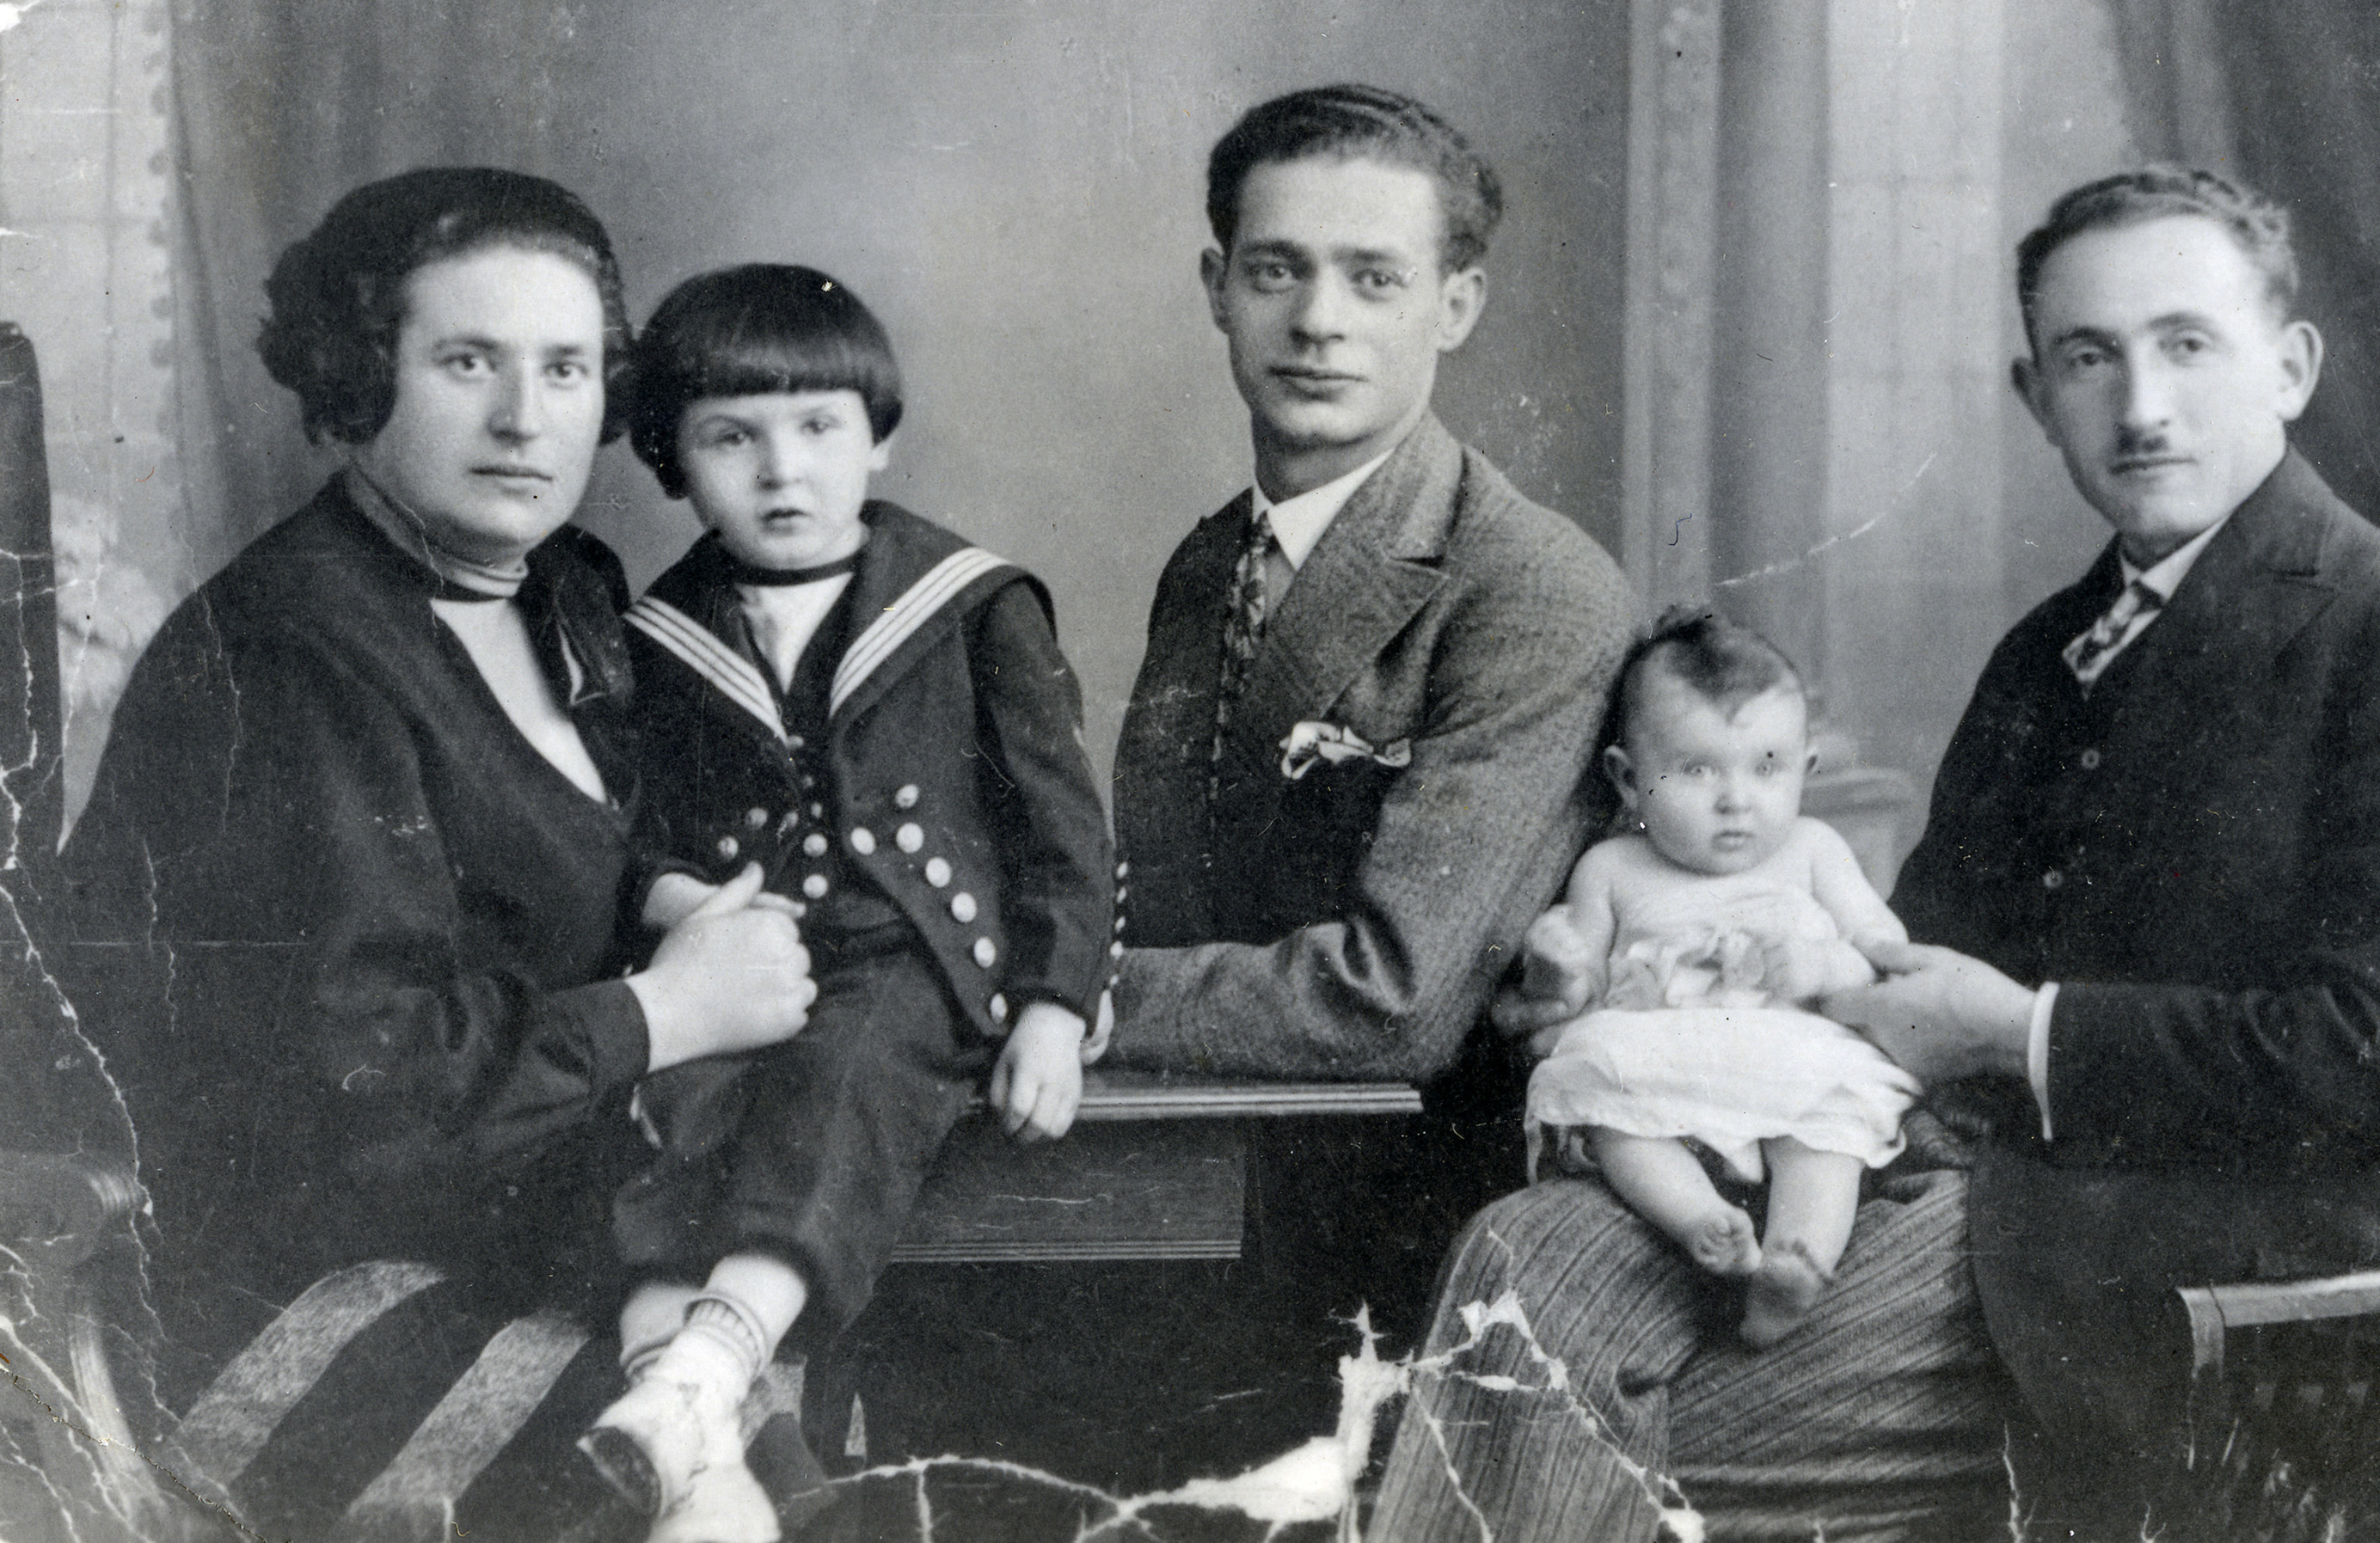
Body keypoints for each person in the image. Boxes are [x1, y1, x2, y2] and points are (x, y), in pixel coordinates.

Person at [1367, 167, 2380, 1540]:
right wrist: (1668, 988)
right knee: (1524, 1259)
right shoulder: (2047, 655)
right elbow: (1909, 967)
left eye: (2188, 344)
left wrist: (2021, 1035)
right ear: (2035, 395)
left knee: (1521, 1423)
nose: (2142, 405)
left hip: (2223, 1300)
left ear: (2289, 367)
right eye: (2089, 358)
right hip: (1962, 1209)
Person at [52, 170, 819, 1537]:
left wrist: (670, 893)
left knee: (785, 1431)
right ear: (361, 379)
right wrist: (667, 1009)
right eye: (468, 362)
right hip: (283, 1284)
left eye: (568, 368)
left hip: (521, 1237)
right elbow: (372, 1091)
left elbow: (571, 845)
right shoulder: (292, 652)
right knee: (705, 1501)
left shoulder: (566, 589)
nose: (526, 418)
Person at [1100, 85, 1636, 1369]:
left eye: (1373, 279)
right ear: (1217, 287)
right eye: (1278, 269)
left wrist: (1069, 997)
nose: (1319, 322)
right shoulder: (1208, 563)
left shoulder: (1532, 589)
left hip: (1409, 1239)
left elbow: (1394, 1002)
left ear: (1455, 306)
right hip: (1186, 1178)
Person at [598, 263, 1113, 1539]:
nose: (782, 470)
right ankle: (683, 1416)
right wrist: (685, 906)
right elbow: (631, 839)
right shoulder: (658, 636)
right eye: (732, 438)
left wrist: (1056, 1006)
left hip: (921, 963)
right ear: (672, 463)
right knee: (675, 1114)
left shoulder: (972, 607)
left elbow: (1062, 830)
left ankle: (707, 1374)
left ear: (880, 437)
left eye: (818, 427)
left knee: (843, 1085)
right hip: (746, 966)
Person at [1520, 609, 1917, 1349]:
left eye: (1766, 768)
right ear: (1628, 779)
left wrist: (1825, 963)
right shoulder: (1611, 868)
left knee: (1830, 1134)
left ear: (1806, 769)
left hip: (1791, 1055)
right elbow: (1571, 999)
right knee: (1604, 1100)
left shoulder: (1813, 850)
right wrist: (1557, 962)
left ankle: (1795, 1263)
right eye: (1697, 770)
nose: (1736, 799)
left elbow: (1885, 947)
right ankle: (1702, 1220)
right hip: (1660, 1059)